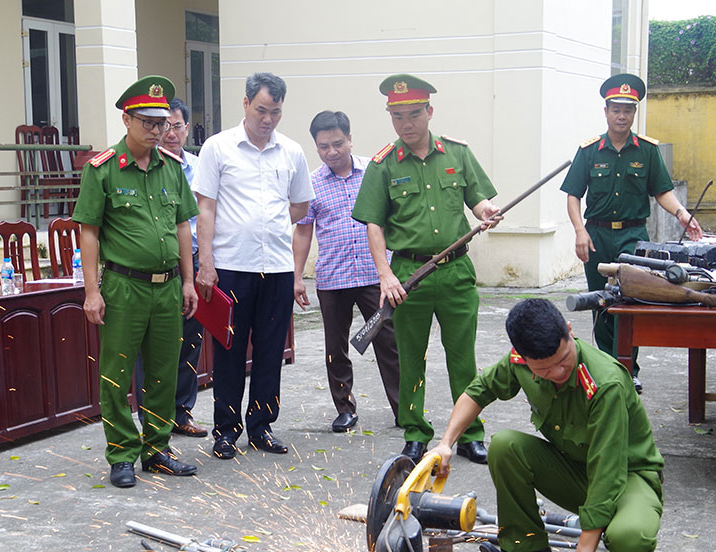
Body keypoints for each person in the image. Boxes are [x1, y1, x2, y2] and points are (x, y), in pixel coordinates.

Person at [425, 298, 664, 552]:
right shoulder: (520, 361)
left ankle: (622, 550)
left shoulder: (604, 384)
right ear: (523, 358)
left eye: (563, 360)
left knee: (629, 539)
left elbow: (608, 472)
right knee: (505, 446)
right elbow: (479, 390)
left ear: (568, 330)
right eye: (545, 370)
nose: (558, 373)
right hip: (577, 473)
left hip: (628, 476)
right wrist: (445, 444)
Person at [351, 74, 501, 465]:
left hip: (456, 273)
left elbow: (478, 199)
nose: (406, 123)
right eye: (398, 116)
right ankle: (416, 432)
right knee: (411, 356)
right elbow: (374, 224)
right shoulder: (382, 166)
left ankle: (469, 432)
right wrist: (385, 274)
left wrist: (486, 212)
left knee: (462, 357)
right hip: (407, 276)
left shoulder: (457, 154)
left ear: (429, 112)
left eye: (414, 114)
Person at [73, 75, 200, 488]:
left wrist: (187, 280)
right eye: (147, 121)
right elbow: (88, 231)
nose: (157, 130)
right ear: (127, 120)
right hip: (123, 287)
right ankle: (122, 454)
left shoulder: (172, 167)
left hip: (166, 287)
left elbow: (183, 224)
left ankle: (157, 449)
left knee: (164, 370)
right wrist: (92, 291)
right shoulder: (104, 169)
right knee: (117, 372)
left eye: (162, 123)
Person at [192, 72, 315, 460]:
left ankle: (262, 426)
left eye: (275, 112)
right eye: (261, 110)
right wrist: (206, 263)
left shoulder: (291, 151)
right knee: (228, 352)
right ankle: (226, 430)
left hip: (276, 268)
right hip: (230, 267)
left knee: (269, 350)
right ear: (245, 104)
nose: (268, 119)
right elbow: (205, 208)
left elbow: (300, 206)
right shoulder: (218, 148)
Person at [561, 73, 703, 393]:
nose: (621, 115)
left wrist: (682, 215)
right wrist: (579, 232)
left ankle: (628, 369)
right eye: (616, 109)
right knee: (601, 303)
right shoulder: (590, 151)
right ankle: (604, 366)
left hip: (633, 237)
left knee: (630, 302)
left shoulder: (647, 151)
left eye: (628, 109)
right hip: (596, 236)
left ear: (634, 113)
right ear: (606, 111)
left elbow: (662, 191)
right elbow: (573, 195)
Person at [293, 110, 400, 433]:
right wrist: (297, 277)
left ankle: (404, 409)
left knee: (389, 342)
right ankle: (345, 407)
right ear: (316, 147)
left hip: (375, 276)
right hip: (333, 278)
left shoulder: (375, 173)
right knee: (335, 347)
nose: (332, 152)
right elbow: (303, 231)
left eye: (338, 143)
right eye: (323, 146)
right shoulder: (311, 183)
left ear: (350, 139)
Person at [133, 97, 209, 438]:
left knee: (189, 341)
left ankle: (182, 411)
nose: (170, 133)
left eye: (176, 126)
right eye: (164, 126)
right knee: (150, 347)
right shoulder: (143, 166)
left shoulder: (199, 167)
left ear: (186, 128)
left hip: (191, 263)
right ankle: (149, 418)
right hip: (153, 267)